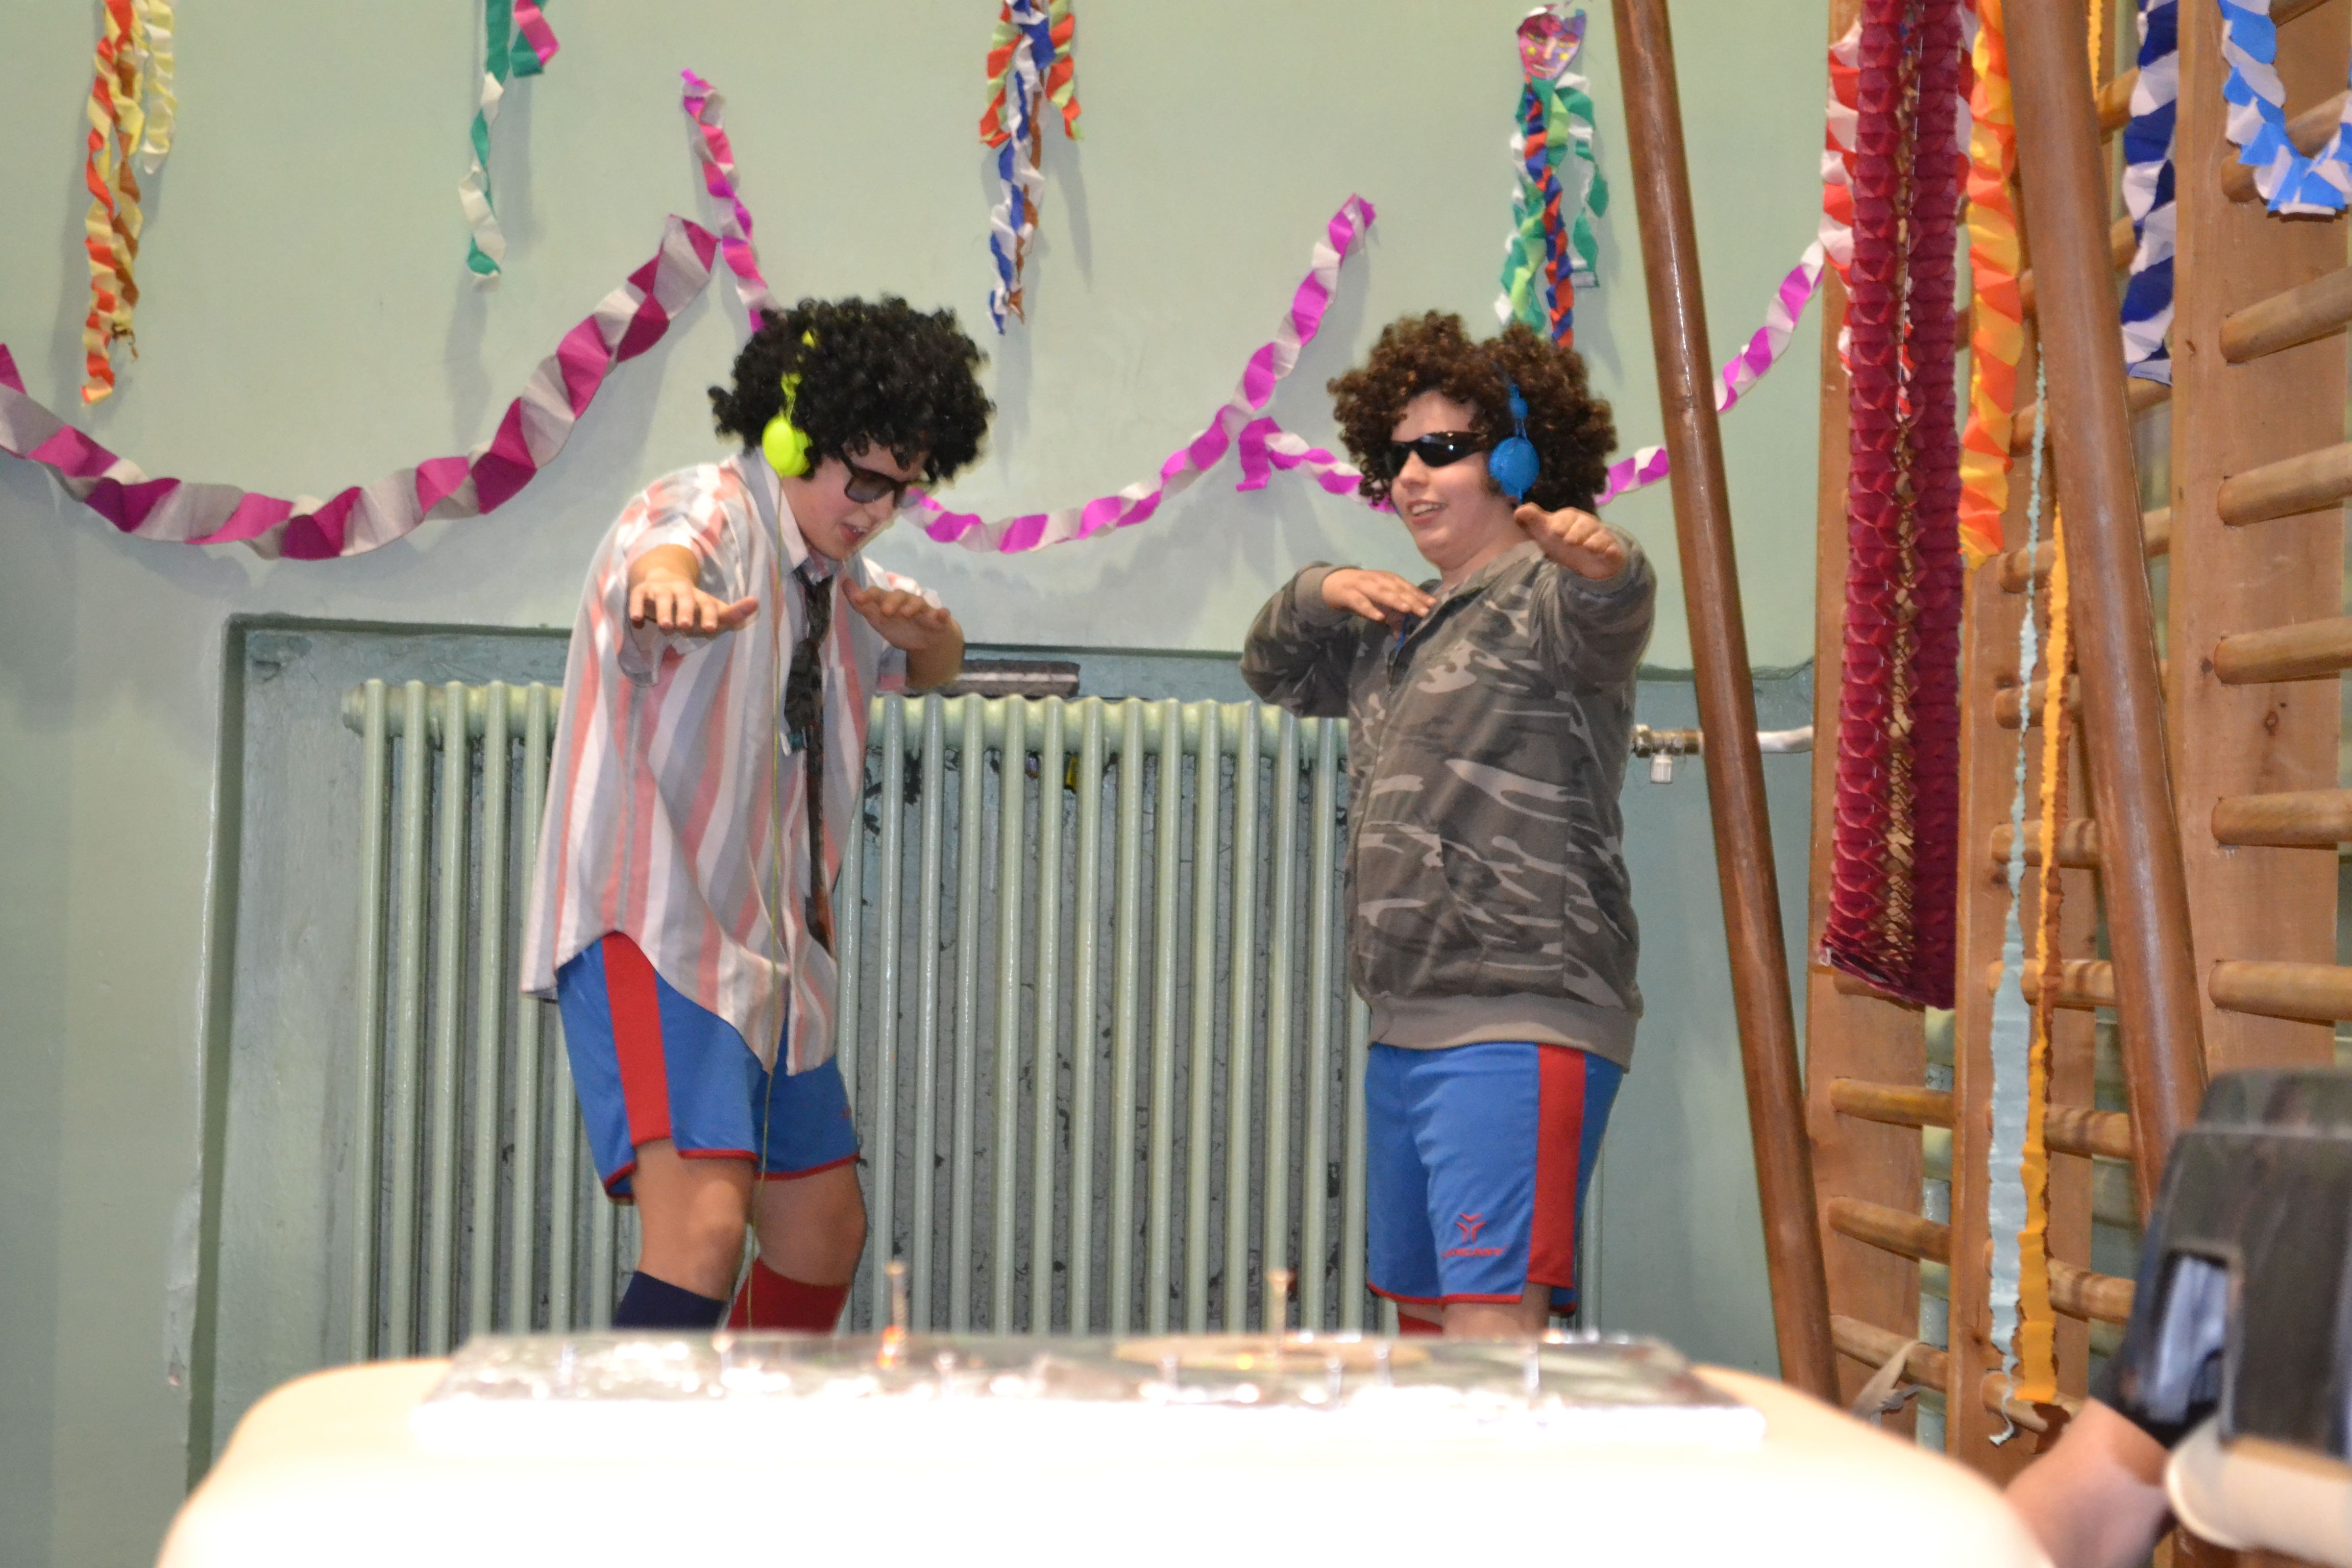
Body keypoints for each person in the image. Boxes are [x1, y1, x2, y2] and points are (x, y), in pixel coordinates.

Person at [521, 297, 991, 1331]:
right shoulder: (711, 511)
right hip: (658, 932)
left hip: (773, 963)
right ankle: (618, 1445)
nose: (879, 509)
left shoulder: (836, 577)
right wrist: (668, 590)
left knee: (822, 1237)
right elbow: (662, 552)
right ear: (790, 434)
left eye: (904, 488)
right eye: (864, 478)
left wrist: (936, 640)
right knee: (699, 1236)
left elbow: (927, 663)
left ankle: (735, 1427)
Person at [1241, 312, 1654, 1337]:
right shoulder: (1398, 620)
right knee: (1428, 1347)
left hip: (1520, 1021)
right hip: (1407, 1026)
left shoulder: (1550, 597)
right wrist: (1323, 588)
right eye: (1397, 456)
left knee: (1488, 1349)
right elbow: (1273, 669)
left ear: (1514, 457)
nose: (1412, 478)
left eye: (1442, 449)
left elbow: (1612, 609)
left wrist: (1606, 566)